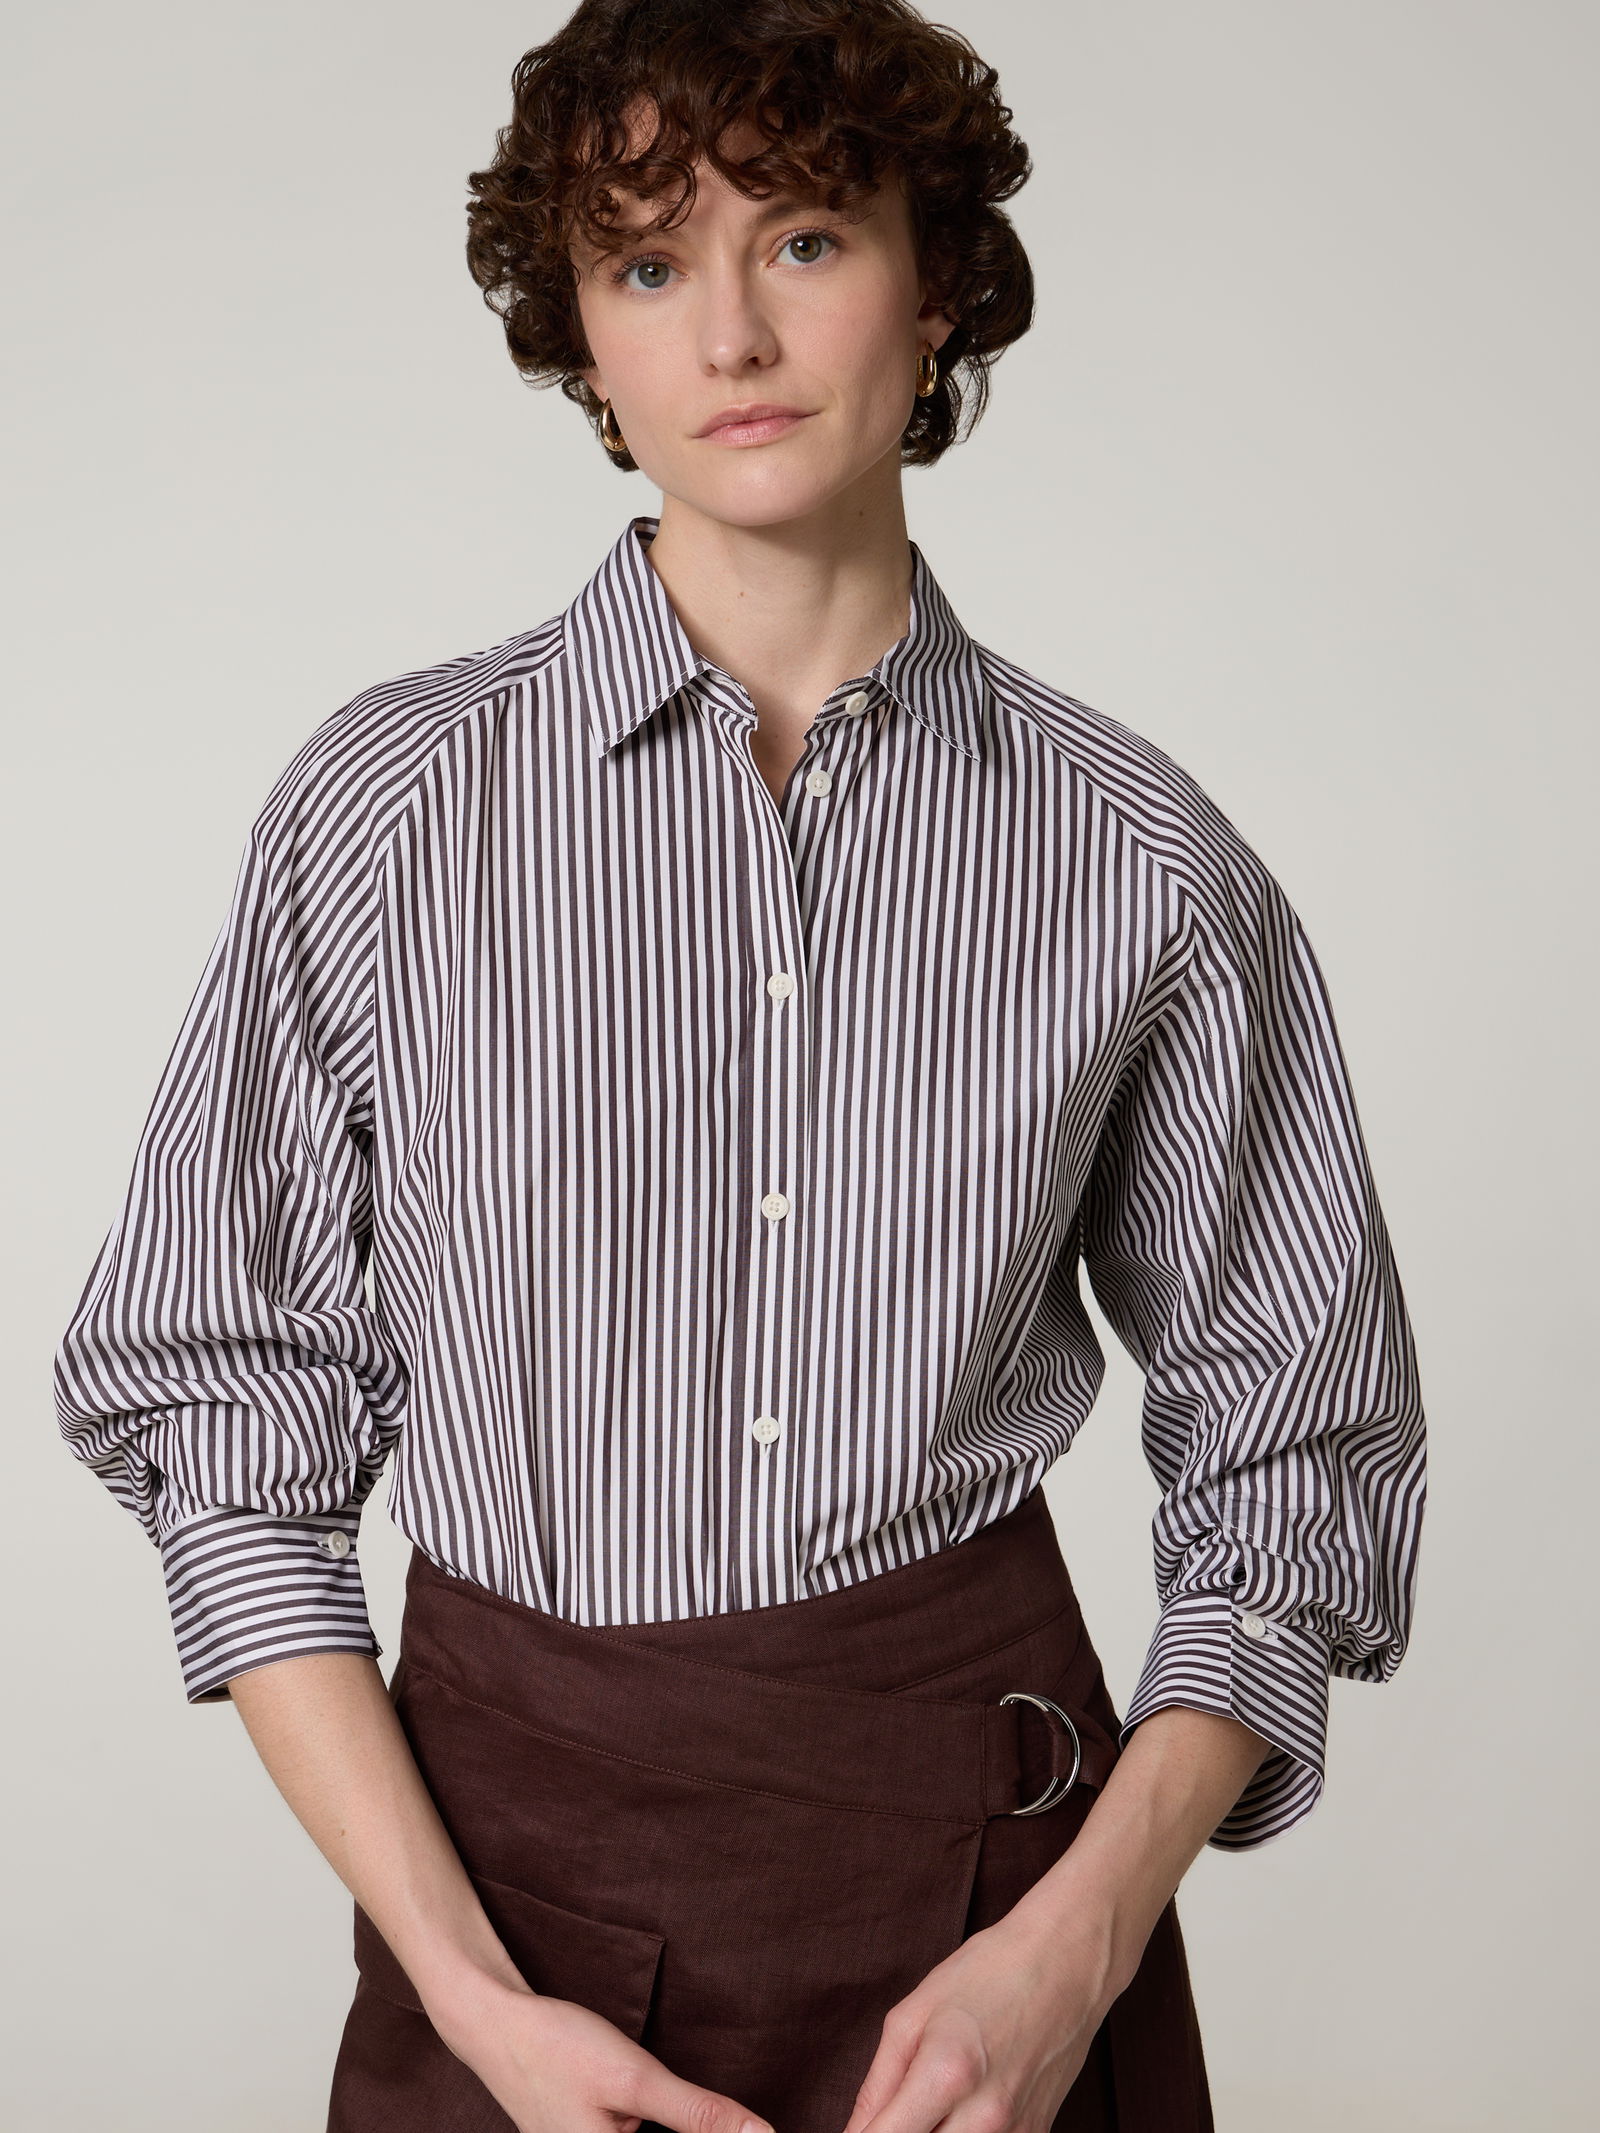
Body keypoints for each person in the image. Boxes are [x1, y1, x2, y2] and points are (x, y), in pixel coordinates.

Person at [52, 4, 1428, 2130]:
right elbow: (224, 1422)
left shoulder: (1140, 862)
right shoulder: (387, 813)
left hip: (989, 1916)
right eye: (643, 263)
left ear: (935, 280)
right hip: (503, 1914)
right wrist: (468, 1995)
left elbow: (1300, 1451)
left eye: (801, 239)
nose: (729, 335)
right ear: (582, 345)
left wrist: (1075, 1948)